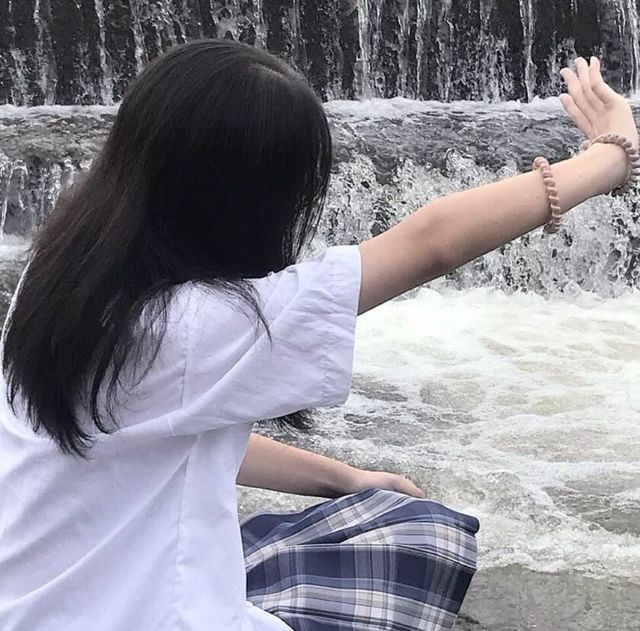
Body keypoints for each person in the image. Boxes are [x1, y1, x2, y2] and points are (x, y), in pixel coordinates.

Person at [0, 40, 636, 631]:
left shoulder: (61, 279)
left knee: (352, 519)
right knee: (424, 537)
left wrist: (346, 479)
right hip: (143, 616)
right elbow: (433, 243)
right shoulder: (193, 323)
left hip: (46, 606)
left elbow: (174, 435)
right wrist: (611, 156)